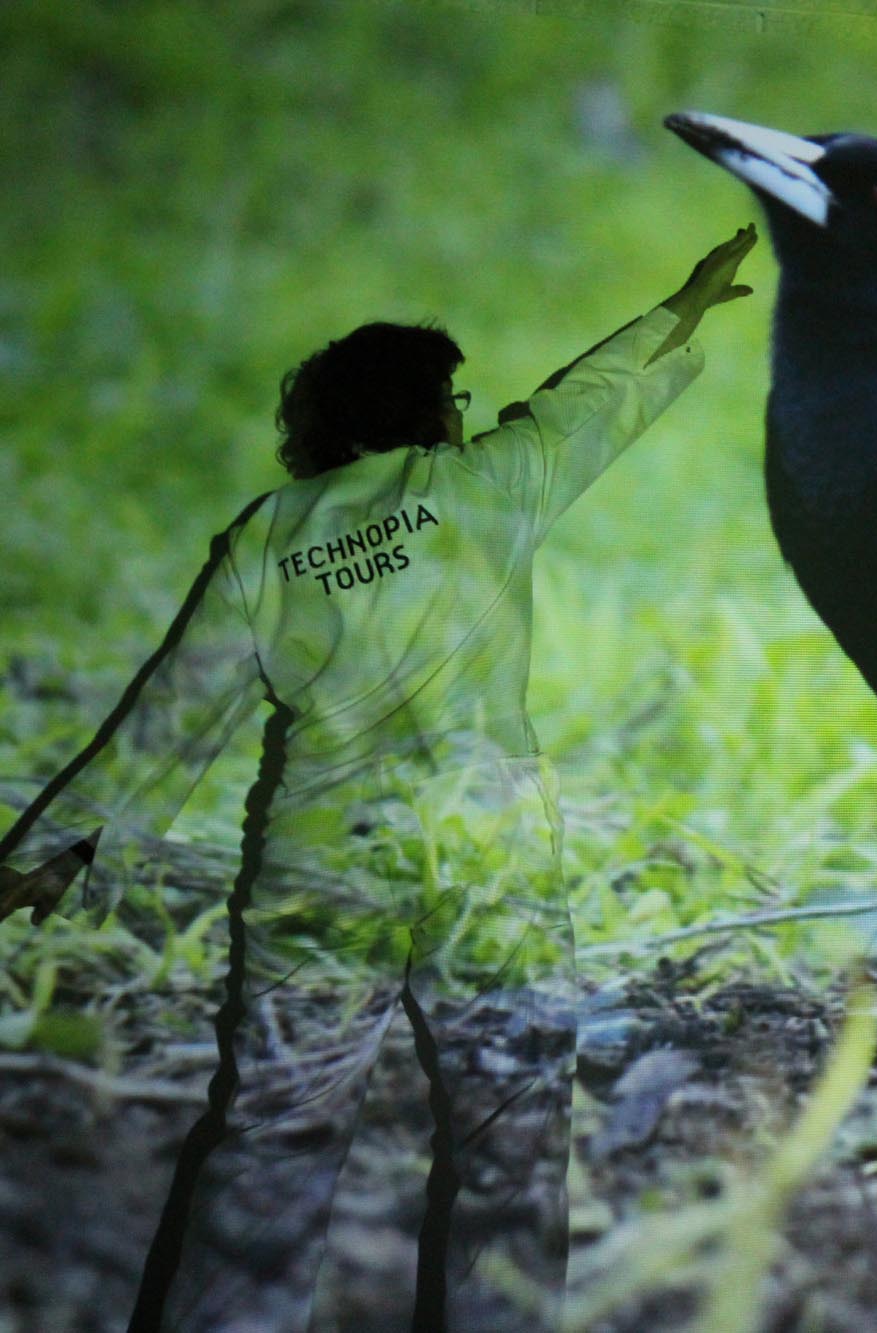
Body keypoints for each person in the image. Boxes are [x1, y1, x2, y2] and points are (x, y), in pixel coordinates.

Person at [0, 224, 757, 1331]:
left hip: (324, 865)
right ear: (426, 409)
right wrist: (680, 307)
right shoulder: (490, 485)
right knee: (510, 1139)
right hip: (486, 854)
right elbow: (595, 399)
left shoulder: (268, 537)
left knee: (270, 1140)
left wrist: (51, 850)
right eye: (453, 395)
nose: (463, 410)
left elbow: (168, 719)